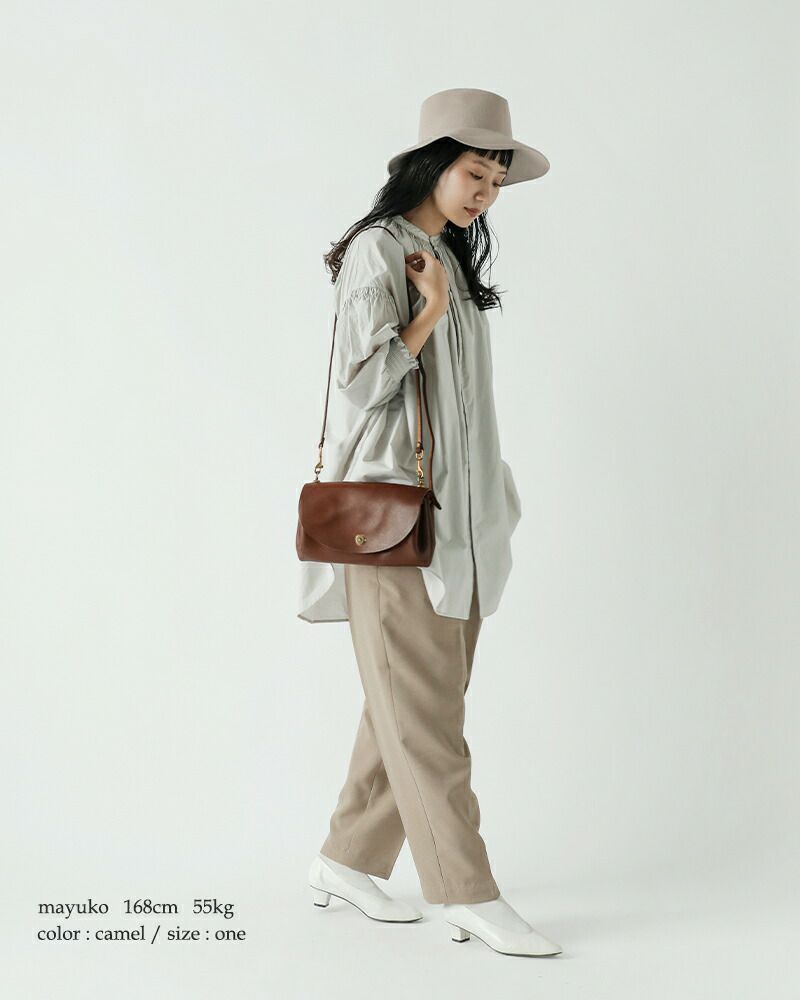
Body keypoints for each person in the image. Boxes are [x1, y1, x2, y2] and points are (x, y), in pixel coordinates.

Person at [298, 88, 561, 957]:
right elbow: (360, 385)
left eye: (496, 181)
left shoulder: (443, 254)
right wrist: (431, 312)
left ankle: (346, 858)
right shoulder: (381, 251)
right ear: (431, 165)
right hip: (396, 528)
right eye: (474, 172)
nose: (486, 192)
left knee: (413, 707)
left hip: (463, 528)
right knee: (429, 723)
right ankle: (467, 892)